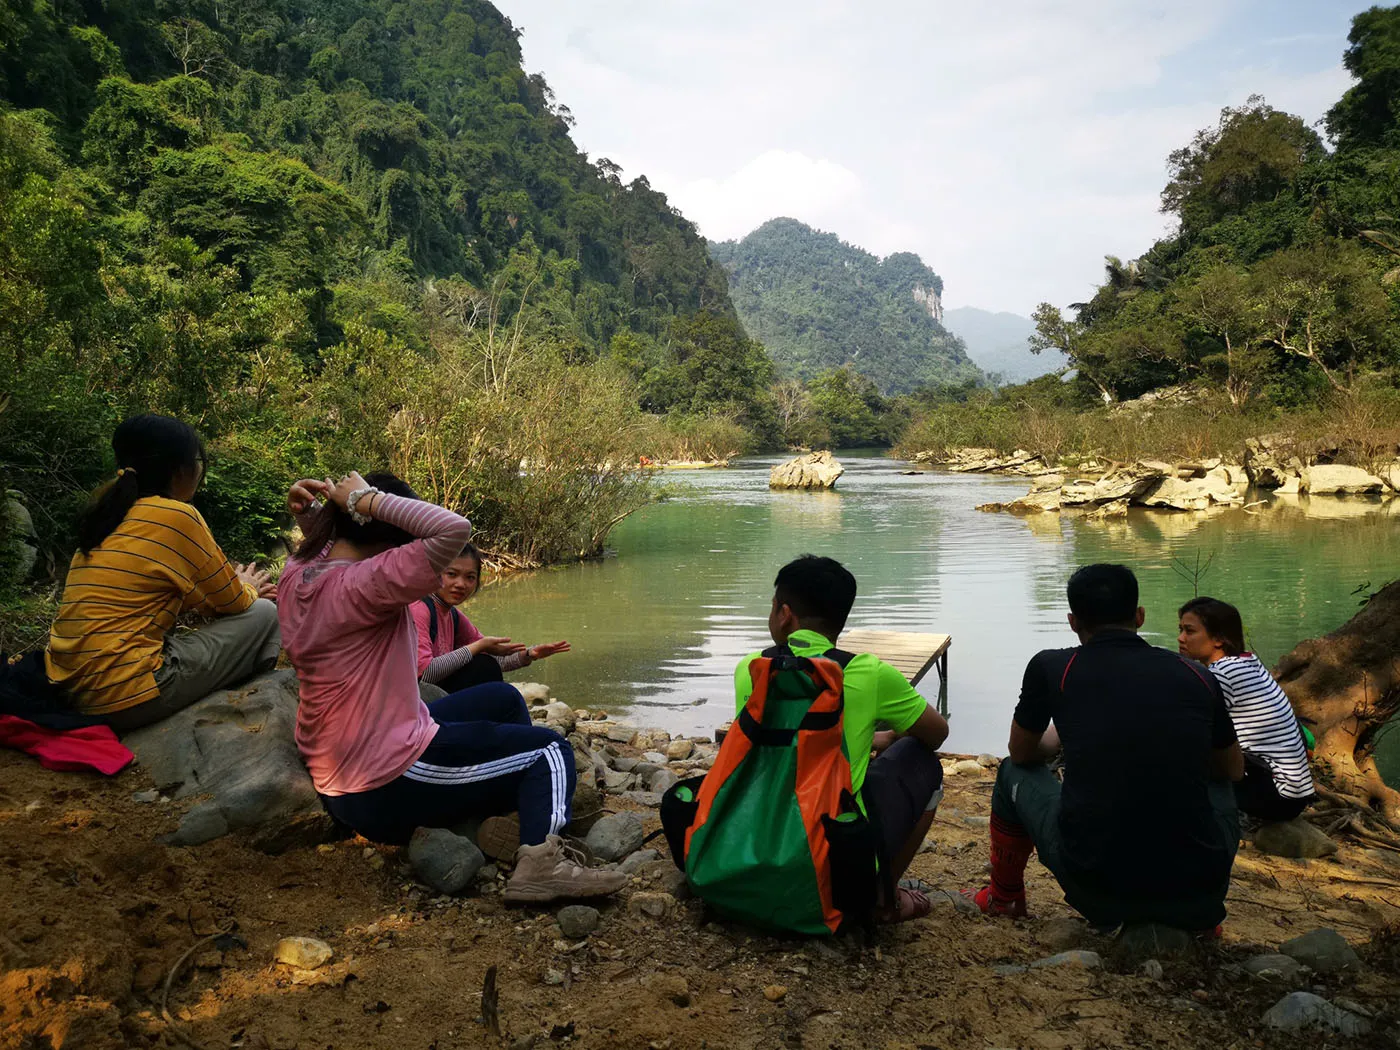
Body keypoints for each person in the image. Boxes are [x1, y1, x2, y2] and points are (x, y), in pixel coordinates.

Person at [277, 471, 625, 904]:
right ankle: (542, 865)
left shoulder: (301, 570)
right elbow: (455, 529)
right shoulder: (369, 583)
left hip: (347, 766)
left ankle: (516, 814)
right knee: (549, 752)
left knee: (501, 698)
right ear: (388, 531)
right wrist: (367, 500)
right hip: (384, 782)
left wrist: (317, 514)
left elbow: (336, 547)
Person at [969, 564, 1243, 932]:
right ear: (1140, 616)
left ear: (1072, 621)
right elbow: (1232, 769)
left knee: (1011, 772)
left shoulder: (1053, 667)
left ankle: (1004, 898)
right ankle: (1192, 912)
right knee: (1220, 781)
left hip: (1096, 890)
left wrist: (1076, 734)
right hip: (1199, 895)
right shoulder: (1197, 675)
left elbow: (1020, 753)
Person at [735, 555, 949, 923]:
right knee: (924, 760)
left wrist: (872, 739)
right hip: (833, 862)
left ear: (784, 614)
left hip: (755, 846)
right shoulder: (867, 671)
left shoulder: (752, 668)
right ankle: (883, 898)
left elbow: (786, 738)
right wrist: (891, 735)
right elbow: (937, 733)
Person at [45, 414, 280, 731]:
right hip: (122, 694)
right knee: (264, 613)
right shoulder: (176, 515)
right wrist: (247, 586)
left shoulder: (107, 515)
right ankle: (257, 690)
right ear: (182, 469)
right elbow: (234, 604)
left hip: (68, 688)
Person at [1178, 597, 1315, 823]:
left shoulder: (1221, 676)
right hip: (1294, 795)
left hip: (1274, 798)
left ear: (1219, 639)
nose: (1181, 638)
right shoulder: (1246, 662)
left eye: (1189, 631)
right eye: (1181, 629)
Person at [410, 542, 570, 694]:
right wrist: (480, 645)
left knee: (485, 668)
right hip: (410, 707)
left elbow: (494, 661)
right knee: (485, 671)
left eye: (470, 577)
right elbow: (424, 674)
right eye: (451, 574)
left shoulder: (452, 615)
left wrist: (529, 655)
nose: (461, 584)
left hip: (434, 699)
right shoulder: (418, 608)